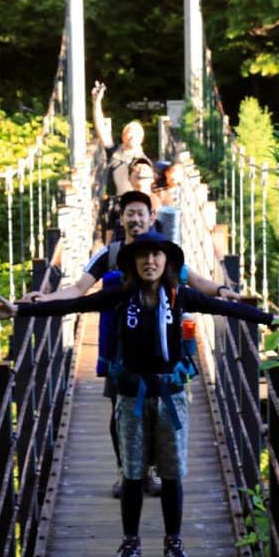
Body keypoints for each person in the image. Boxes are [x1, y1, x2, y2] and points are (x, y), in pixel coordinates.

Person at [0, 231, 279, 557]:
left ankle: (174, 542)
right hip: (131, 397)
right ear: (133, 263)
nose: (150, 262)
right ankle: (130, 543)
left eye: (157, 256)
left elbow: (227, 308)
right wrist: (19, 311)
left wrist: (278, 322)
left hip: (171, 396)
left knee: (173, 475)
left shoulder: (180, 296)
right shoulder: (119, 296)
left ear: (167, 262)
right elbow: (73, 305)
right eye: (143, 256)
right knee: (132, 473)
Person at [22, 190, 247, 498]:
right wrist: (44, 299)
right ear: (122, 217)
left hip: (158, 346)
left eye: (142, 213)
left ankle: (151, 472)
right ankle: (128, 472)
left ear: (151, 217)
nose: (136, 218)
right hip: (117, 345)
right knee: (120, 409)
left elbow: (196, 282)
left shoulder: (160, 252)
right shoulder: (111, 254)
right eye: (130, 213)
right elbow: (77, 290)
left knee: (158, 412)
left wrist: (223, 290)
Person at [92, 81, 145, 198]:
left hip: (132, 206)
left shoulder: (143, 160)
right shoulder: (115, 152)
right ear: (123, 136)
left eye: (136, 134)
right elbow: (100, 127)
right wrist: (97, 102)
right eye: (129, 133)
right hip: (113, 207)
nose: (132, 136)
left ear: (141, 139)